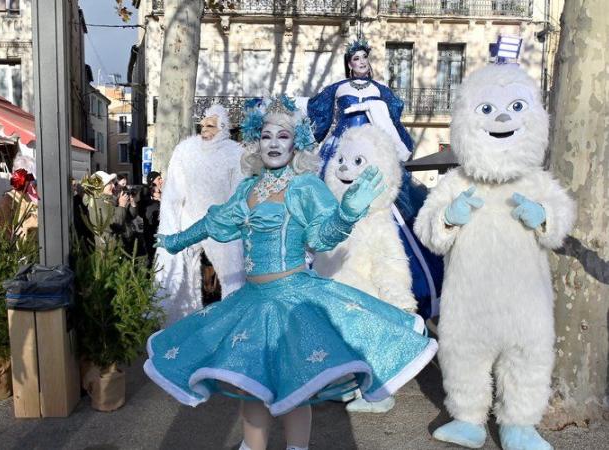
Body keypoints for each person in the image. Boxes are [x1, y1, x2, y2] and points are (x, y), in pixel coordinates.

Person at [146, 95, 437, 450]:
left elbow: (321, 236)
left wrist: (346, 214)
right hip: (253, 302)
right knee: (250, 384)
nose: (273, 143)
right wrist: (177, 239)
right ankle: (253, 448)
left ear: (295, 143)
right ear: (256, 141)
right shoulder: (247, 189)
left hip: (294, 299)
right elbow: (215, 220)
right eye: (266, 135)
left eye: (282, 136)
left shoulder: (305, 187)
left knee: (297, 384)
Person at [415, 64, 575, 450]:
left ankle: (519, 425)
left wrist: (545, 218)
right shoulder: (456, 183)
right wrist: (448, 219)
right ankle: (467, 419)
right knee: (463, 357)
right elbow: (426, 230)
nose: (503, 118)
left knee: (528, 357)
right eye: (487, 110)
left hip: (526, 302)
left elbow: (562, 217)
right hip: (468, 302)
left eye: (516, 107)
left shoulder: (535, 181)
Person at [308, 38, 443, 321]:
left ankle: (401, 287)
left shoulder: (381, 91)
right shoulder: (338, 89)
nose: (361, 63)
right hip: (344, 148)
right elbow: (319, 120)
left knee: (392, 214)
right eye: (355, 59)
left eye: (364, 59)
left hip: (372, 151)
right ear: (349, 64)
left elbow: (392, 125)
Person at [156, 104, 245, 324]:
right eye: (202, 124)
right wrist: (170, 227)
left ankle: (234, 325)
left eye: (211, 125)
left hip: (222, 223)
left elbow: (239, 193)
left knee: (234, 274)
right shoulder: (185, 151)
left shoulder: (236, 154)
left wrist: (233, 223)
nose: (204, 128)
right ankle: (181, 324)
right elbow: (173, 193)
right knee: (180, 274)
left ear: (223, 127)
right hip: (190, 220)